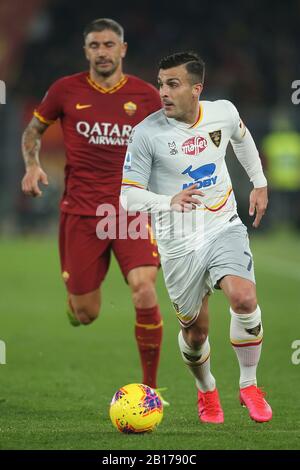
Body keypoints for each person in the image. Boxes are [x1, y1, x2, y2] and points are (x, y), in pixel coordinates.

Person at [21, 18, 168, 402]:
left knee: (143, 290)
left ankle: (149, 391)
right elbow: (33, 131)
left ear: (122, 49)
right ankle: (77, 301)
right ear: (86, 51)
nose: (102, 51)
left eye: (109, 44)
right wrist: (33, 165)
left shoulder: (147, 96)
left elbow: (175, 140)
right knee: (86, 313)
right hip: (82, 213)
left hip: (130, 211)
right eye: (94, 45)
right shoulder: (65, 90)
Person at [121, 51, 272, 423]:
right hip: (178, 243)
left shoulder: (222, 111)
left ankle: (249, 385)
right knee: (194, 333)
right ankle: (207, 392)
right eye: (160, 84)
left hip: (223, 224)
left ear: (196, 89)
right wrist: (167, 200)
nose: (164, 92)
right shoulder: (146, 134)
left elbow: (242, 137)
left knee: (244, 296)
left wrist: (259, 182)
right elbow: (127, 196)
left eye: (173, 84)